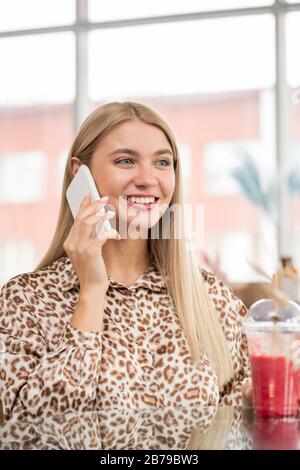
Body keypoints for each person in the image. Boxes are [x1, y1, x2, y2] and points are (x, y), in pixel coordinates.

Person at [0, 101, 251, 422]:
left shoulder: (210, 298)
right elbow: (32, 429)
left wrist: (255, 398)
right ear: (80, 174)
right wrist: (91, 291)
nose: (148, 179)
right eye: (125, 160)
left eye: (163, 162)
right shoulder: (26, 301)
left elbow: (231, 419)